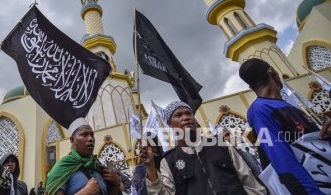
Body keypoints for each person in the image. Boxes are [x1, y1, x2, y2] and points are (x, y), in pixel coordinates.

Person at [239, 58, 331, 194]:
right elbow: (281, 158)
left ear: (250, 87)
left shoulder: (289, 107)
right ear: (271, 71)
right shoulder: (260, 110)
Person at [141, 101, 267, 194]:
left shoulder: (221, 145)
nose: (185, 117)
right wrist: (150, 167)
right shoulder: (168, 161)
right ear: (169, 124)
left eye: (188, 113)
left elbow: (250, 183)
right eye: (178, 115)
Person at [45, 117, 122, 195]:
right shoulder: (62, 168)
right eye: (84, 135)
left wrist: (116, 183)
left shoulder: (98, 167)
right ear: (72, 140)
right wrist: (85, 192)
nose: (90, 139)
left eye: (92, 135)